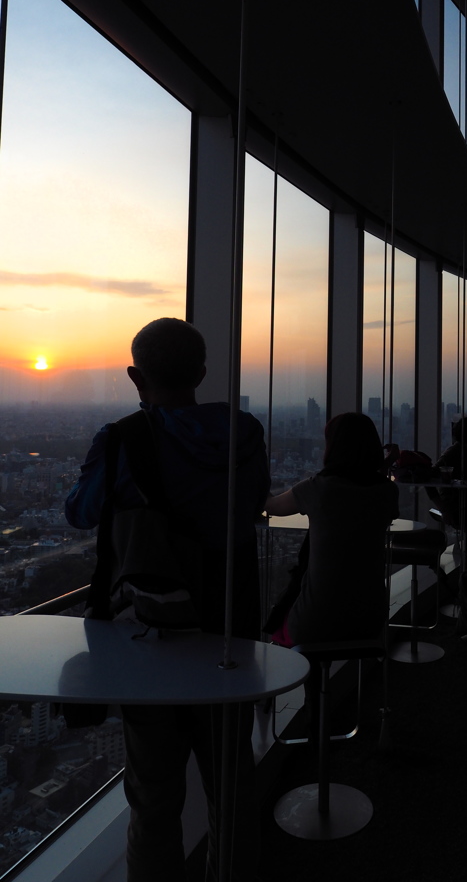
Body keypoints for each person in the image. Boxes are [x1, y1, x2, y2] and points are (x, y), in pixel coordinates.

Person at [65, 318, 269, 882]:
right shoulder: (245, 433)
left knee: (154, 802)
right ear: (202, 372)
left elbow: (80, 512)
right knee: (232, 789)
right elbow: (252, 504)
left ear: (136, 376)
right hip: (232, 633)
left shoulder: (124, 440)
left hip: (151, 639)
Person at [266, 412, 399, 645]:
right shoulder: (388, 492)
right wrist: (383, 465)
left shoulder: (318, 489)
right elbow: (363, 493)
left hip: (315, 621)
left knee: (280, 629)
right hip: (370, 618)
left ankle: (311, 681)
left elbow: (272, 506)